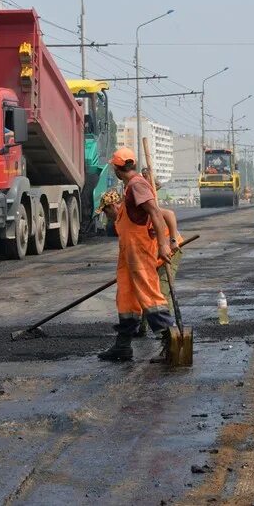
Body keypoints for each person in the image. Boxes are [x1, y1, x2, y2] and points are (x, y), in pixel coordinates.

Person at [98, 148, 175, 363]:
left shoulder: (137, 185)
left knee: (149, 296)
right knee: (127, 297)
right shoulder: (129, 186)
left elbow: (156, 214)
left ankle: (172, 344)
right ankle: (122, 346)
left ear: (116, 168)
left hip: (139, 250)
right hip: (128, 252)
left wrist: (163, 244)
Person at [95, 190, 184, 338]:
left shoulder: (135, 210)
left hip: (168, 254)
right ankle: (142, 328)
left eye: (105, 211)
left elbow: (169, 214)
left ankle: (169, 336)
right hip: (149, 257)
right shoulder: (120, 221)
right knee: (143, 292)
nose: (106, 215)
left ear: (113, 206)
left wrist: (172, 241)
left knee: (159, 293)